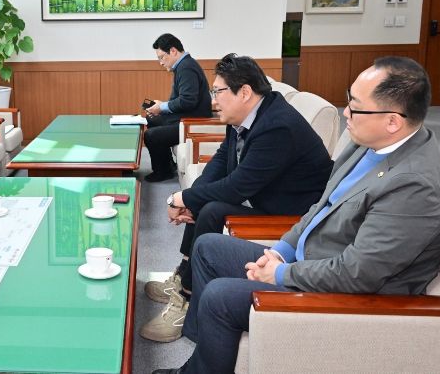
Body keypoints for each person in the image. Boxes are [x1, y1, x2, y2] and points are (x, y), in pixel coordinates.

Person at [153, 56, 440, 373]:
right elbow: (321, 207)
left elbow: (357, 274)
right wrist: (280, 251)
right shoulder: (368, 143)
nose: (345, 113)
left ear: (393, 121)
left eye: (355, 106)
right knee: (207, 248)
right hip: (311, 258)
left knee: (220, 296)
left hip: (345, 293)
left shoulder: (414, 186)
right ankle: (201, 357)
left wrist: (280, 274)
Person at [140, 53, 333, 343]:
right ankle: (185, 274)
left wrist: (180, 198)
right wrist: (190, 198)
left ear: (244, 92)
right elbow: (220, 162)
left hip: (293, 214)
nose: (214, 100)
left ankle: (187, 297)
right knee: (204, 202)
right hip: (267, 196)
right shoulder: (246, 115)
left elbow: (236, 187)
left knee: (212, 208)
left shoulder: (277, 126)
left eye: (217, 92)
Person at [144, 33, 213, 182]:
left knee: (151, 136)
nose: (161, 63)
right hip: (187, 116)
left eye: (162, 57)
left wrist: (162, 107)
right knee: (152, 119)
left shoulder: (186, 68)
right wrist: (160, 106)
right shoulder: (184, 65)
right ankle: (168, 165)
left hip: (193, 121)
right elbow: (183, 99)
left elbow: (188, 101)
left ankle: (163, 172)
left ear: (173, 51)